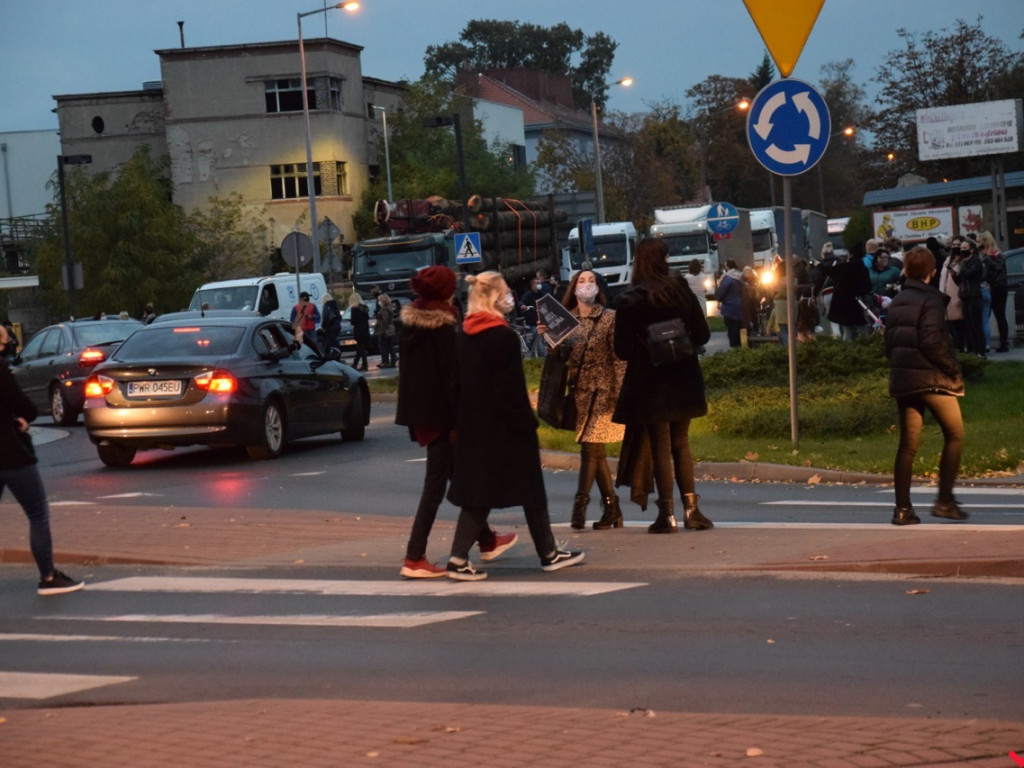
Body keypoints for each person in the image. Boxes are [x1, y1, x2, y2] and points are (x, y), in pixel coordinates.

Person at [445, 271, 584, 581]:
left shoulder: (464, 335)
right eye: (505, 291)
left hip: (473, 428)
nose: (510, 295)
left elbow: (455, 386)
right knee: (531, 489)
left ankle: (458, 557)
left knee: (478, 495)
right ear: (494, 297)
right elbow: (510, 391)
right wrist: (527, 424)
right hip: (505, 429)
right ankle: (548, 553)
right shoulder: (503, 338)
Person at [395, 266, 517, 578]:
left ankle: (487, 540)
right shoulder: (442, 329)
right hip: (442, 420)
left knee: (459, 476)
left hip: (424, 417)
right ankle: (414, 556)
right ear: (446, 293)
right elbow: (451, 380)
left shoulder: (412, 325)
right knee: (436, 486)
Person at [612, 238, 713, 534]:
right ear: (665, 259)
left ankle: (666, 515)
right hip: (683, 377)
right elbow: (703, 334)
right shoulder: (680, 291)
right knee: (681, 444)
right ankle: (692, 510)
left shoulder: (630, 300)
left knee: (660, 447)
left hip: (650, 382)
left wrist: (647, 347)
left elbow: (622, 349)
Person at [883, 245, 968, 525]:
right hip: (932, 379)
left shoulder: (897, 301)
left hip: (904, 378)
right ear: (932, 272)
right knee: (955, 434)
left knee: (908, 444)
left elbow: (889, 343)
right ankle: (944, 501)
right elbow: (931, 341)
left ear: (906, 270)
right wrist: (952, 369)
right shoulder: (931, 302)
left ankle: (903, 509)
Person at [0, 322, 84, 595]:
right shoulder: (0, 370)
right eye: (2, 341)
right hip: (12, 455)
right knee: (37, 514)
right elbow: (24, 405)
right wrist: (20, 417)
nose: (6, 345)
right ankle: (48, 577)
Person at [543, 270, 626, 530]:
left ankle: (580, 505)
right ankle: (612, 508)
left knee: (590, 448)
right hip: (580, 392)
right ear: (573, 288)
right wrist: (547, 335)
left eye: (591, 281)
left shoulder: (610, 318)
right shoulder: (566, 321)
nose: (587, 285)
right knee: (595, 451)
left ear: (598, 288)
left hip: (605, 392)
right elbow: (557, 357)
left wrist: (623, 393)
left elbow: (619, 358)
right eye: (581, 281)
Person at [823, 242, 872, 341]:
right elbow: (867, 287)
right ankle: (865, 347)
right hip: (859, 302)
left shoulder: (843, 267)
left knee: (847, 330)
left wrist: (819, 265)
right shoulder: (863, 269)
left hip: (844, 304)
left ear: (851, 254)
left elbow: (830, 272)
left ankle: (847, 349)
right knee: (862, 329)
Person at [951, 239, 986, 357]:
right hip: (965, 295)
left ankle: (980, 351)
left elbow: (969, 274)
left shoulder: (975, 262)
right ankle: (972, 351)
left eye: (964, 248)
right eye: (961, 248)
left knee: (976, 325)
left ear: (971, 250)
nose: (961, 251)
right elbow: (961, 280)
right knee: (968, 325)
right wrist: (953, 273)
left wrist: (961, 265)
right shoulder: (964, 263)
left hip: (974, 295)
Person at [977, 231, 1009, 352]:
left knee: (985, 316)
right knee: (1001, 316)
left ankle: (985, 343)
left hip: (991, 288)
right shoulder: (1000, 255)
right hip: (1002, 287)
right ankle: (1004, 343)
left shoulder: (986, 258)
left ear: (984, 243)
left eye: (979, 242)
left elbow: (984, 275)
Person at [517, 275, 550, 357]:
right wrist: (523, 306)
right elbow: (521, 302)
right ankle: (543, 357)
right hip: (533, 321)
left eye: (540, 283)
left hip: (542, 320)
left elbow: (548, 300)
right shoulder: (528, 294)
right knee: (538, 338)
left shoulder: (542, 293)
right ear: (533, 285)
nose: (540, 284)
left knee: (543, 338)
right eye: (537, 283)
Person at [715, 259, 744, 348]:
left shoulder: (728, 278)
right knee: (739, 328)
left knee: (732, 329)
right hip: (741, 306)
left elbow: (721, 292)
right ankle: (742, 345)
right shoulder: (740, 276)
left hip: (730, 308)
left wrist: (718, 300)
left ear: (727, 266)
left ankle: (734, 347)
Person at [348, 293, 370, 371]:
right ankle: (355, 363)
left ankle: (364, 364)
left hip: (358, 330)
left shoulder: (354, 309)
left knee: (361, 348)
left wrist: (351, 320)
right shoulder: (364, 308)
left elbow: (353, 321)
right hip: (365, 329)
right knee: (360, 348)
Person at [376, 293, 397, 368]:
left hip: (385, 330)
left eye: (379, 300)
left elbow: (384, 321)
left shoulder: (384, 309)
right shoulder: (389, 308)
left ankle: (385, 362)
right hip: (390, 330)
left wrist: (381, 330)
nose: (378, 302)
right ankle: (392, 361)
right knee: (390, 346)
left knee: (384, 347)